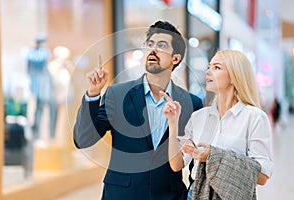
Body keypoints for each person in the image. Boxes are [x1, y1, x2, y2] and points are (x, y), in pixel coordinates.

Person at [73, 21, 203, 200]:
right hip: (122, 194)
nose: (153, 50)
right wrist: (93, 95)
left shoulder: (192, 104)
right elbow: (83, 139)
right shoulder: (117, 95)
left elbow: (195, 165)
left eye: (162, 45)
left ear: (176, 58)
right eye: (150, 44)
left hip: (170, 196)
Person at [161, 50, 273, 199]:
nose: (208, 72)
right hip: (196, 193)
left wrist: (213, 157)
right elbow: (177, 165)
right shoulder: (199, 117)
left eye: (217, 67)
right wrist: (173, 122)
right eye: (209, 66)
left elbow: (263, 175)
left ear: (234, 76)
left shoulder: (254, 117)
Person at [27, 35, 57, 139]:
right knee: (40, 109)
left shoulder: (36, 53)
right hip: (40, 86)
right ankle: (38, 133)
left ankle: (50, 134)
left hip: (44, 86)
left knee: (48, 108)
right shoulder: (39, 53)